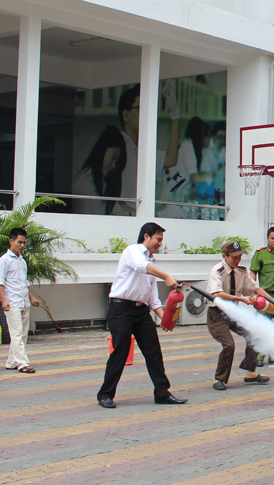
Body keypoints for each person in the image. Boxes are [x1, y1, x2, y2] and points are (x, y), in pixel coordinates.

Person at [96, 222, 186, 408]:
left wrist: (165, 317)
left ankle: (162, 393)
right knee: (120, 351)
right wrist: (167, 276)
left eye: (161, 240)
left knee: (153, 352)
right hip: (121, 310)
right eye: (158, 239)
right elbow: (140, 266)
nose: (160, 243)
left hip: (141, 312)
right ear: (146, 236)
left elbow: (152, 297)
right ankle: (105, 394)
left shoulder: (152, 263)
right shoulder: (133, 251)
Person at [208, 241, 270, 391]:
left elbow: (255, 289)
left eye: (239, 257)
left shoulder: (242, 272)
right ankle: (220, 379)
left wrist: (272, 300)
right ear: (225, 256)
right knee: (229, 344)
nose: (237, 260)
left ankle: (251, 373)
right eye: (234, 257)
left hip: (233, 313)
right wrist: (241, 299)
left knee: (254, 335)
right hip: (217, 314)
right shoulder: (217, 271)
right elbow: (217, 294)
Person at [115, 84, 180, 217]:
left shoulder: (141, 148)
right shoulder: (117, 147)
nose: (146, 115)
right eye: (140, 109)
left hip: (138, 215)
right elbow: (114, 198)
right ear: (126, 115)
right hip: (121, 218)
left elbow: (170, 159)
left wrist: (174, 115)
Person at [0, 228, 40, 373]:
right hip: (12, 302)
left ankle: (11, 362)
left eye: (24, 243)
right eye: (19, 242)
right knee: (16, 333)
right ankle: (23, 364)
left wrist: (31, 298)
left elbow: (24, 283)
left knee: (23, 334)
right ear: (11, 241)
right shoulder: (4, 260)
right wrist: (4, 301)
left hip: (24, 302)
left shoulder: (22, 261)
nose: (22, 245)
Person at [72, 126, 127, 215]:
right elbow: (83, 220)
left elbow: (119, 211)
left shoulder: (104, 183)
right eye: (113, 157)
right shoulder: (84, 182)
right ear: (102, 149)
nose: (113, 166)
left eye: (117, 163)